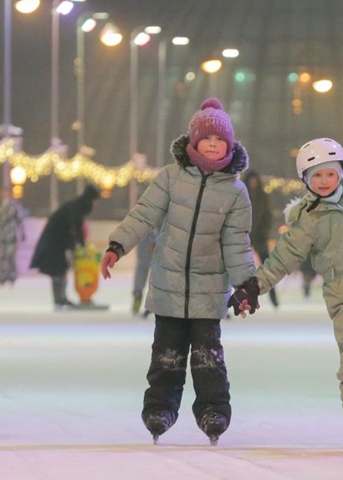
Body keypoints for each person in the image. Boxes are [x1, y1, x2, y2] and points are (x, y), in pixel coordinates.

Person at [228, 138, 343, 448]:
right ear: (306, 180)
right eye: (316, 176)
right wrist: (254, 286)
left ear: (341, 171)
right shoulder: (308, 219)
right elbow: (283, 258)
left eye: (330, 173)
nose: (324, 181)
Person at [99, 98, 255, 446]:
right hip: (169, 284)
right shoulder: (170, 177)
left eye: (220, 141)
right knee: (166, 357)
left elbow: (237, 243)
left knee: (208, 360)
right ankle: (160, 408)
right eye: (207, 139)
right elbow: (144, 215)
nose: (213, 145)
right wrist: (117, 246)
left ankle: (213, 410)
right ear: (193, 142)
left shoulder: (235, 191)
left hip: (209, 289)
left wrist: (246, 285)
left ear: (229, 147)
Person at [30, 185, 101, 309]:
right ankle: (59, 299)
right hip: (55, 243)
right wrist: (81, 244)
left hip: (57, 242)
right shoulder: (77, 208)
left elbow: (74, 228)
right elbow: (76, 227)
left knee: (60, 269)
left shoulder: (74, 206)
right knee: (58, 270)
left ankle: (61, 298)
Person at [243, 170, 278, 307]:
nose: (253, 184)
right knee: (236, 267)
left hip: (259, 236)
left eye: (254, 182)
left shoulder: (262, 197)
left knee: (267, 267)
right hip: (243, 235)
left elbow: (267, 215)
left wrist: (263, 231)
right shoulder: (242, 196)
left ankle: (273, 296)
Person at [0, 187, 26, 287]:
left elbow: (19, 221)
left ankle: (11, 277)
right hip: (0, 235)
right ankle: (1, 278)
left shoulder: (14, 207)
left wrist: (22, 233)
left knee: (11, 257)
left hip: (11, 235)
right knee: (1, 257)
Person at [132, 229, 157, 315]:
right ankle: (137, 295)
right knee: (142, 267)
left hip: (162, 234)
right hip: (145, 236)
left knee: (158, 271)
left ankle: (155, 300)